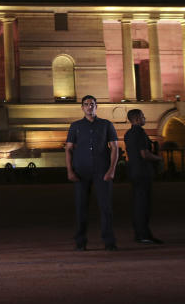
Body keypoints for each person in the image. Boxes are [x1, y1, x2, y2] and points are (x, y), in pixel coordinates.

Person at [65, 94, 119, 251]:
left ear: (97, 106)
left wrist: (112, 170)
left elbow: (115, 148)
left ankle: (109, 241)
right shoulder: (75, 126)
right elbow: (68, 149)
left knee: (106, 207)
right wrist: (69, 170)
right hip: (81, 171)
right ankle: (80, 241)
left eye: (92, 104)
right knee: (81, 207)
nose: (90, 106)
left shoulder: (106, 125)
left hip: (102, 171)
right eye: (86, 104)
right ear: (82, 107)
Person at [123, 108, 164, 244]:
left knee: (137, 203)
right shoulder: (140, 132)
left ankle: (139, 233)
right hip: (143, 172)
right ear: (136, 119)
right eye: (142, 116)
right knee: (143, 205)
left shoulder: (128, 134)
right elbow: (144, 154)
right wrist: (158, 158)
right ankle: (144, 234)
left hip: (133, 171)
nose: (144, 118)